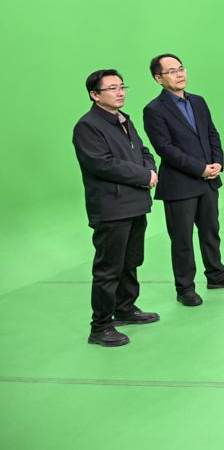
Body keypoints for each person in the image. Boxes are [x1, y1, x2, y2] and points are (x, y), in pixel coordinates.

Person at [143, 54, 224, 307]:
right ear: (158, 79)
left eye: (181, 68)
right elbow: (165, 149)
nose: (179, 74)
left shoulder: (198, 101)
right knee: (182, 240)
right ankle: (185, 288)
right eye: (171, 71)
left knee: (211, 231)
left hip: (208, 181)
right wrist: (201, 169)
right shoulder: (154, 110)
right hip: (180, 185)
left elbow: (212, 134)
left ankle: (216, 275)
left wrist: (217, 162)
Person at [73, 69, 160, 347]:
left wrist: (151, 170)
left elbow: (143, 151)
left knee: (131, 261)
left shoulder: (124, 120)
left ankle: (125, 309)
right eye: (112, 88)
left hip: (135, 204)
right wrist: (144, 176)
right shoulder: (88, 126)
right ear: (94, 95)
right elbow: (102, 164)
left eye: (122, 86)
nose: (120, 92)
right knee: (108, 269)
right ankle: (100, 327)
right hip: (111, 208)